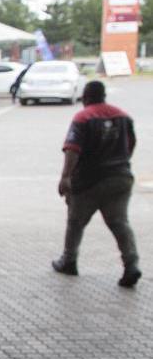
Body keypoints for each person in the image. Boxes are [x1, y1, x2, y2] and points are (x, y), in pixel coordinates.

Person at [52, 80, 140, 287]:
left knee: (75, 222)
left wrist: (66, 177)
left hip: (89, 181)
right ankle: (131, 264)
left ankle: (69, 260)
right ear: (103, 96)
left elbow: (72, 149)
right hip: (120, 178)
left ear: (86, 97)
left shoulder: (83, 117)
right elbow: (131, 145)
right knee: (119, 222)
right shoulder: (123, 116)